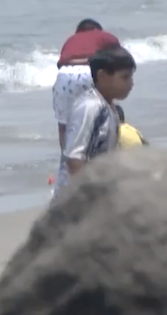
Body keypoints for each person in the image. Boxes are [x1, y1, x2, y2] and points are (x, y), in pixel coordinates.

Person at [52, 20, 121, 196]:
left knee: (66, 126)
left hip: (65, 75)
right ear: (98, 30)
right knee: (105, 115)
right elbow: (119, 61)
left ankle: (66, 171)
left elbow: (60, 64)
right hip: (91, 70)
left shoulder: (70, 40)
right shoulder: (105, 37)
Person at [60, 46, 135, 189]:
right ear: (102, 76)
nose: (131, 83)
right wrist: (85, 196)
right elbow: (75, 158)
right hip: (78, 196)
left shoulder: (109, 107)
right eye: (125, 77)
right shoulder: (90, 106)